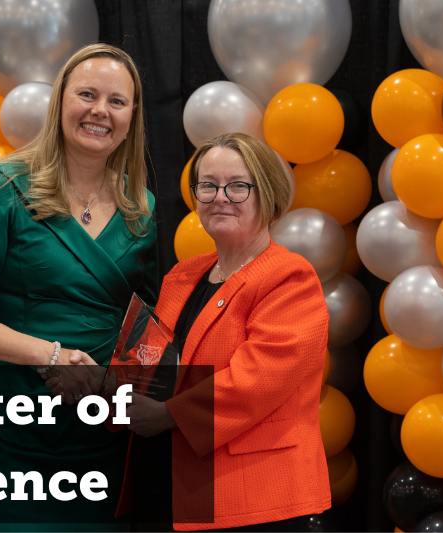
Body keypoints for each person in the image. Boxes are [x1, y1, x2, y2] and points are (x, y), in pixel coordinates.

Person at [0, 43, 159, 531]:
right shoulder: (2, 188)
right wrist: (50, 355)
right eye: (87, 94)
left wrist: (119, 388)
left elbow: (148, 318)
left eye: (117, 101)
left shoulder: (139, 206)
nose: (100, 111)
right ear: (61, 101)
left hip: (100, 436)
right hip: (10, 431)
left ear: (132, 115)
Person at [80, 132, 331, 531]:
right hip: (162, 487)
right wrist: (104, 388)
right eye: (208, 185)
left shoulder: (289, 277)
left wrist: (166, 416)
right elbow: (147, 369)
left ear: (267, 194)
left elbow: (257, 380)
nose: (220, 197)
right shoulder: (183, 275)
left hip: (249, 499)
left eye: (237, 186)